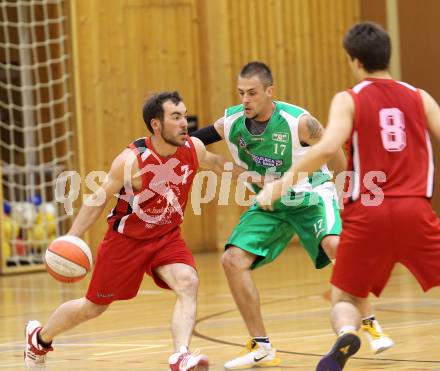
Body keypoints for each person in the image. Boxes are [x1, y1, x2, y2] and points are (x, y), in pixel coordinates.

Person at [256, 22, 440, 370]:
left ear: (354, 61)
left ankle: (345, 333)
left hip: (369, 212)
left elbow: (326, 148)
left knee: (345, 297)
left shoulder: (350, 99)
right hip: (415, 208)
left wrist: (279, 186)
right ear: (389, 55)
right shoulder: (419, 97)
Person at [24, 91, 248, 371]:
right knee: (92, 307)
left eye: (184, 115)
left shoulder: (193, 148)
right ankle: (39, 338)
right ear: (156, 125)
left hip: (166, 237)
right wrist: (73, 236)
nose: (184, 123)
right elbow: (98, 199)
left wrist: (256, 180)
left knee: (188, 282)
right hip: (125, 242)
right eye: (176, 117)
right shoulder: (131, 161)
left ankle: (181, 356)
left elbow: (217, 164)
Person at [191, 61, 392, 370]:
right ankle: (262, 346)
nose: (245, 99)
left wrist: (347, 192)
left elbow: (333, 149)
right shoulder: (230, 122)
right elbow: (194, 142)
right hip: (272, 202)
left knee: (335, 245)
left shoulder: (299, 122)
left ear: (270, 91)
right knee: (232, 260)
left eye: (252, 93)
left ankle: (368, 320)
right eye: (241, 93)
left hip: (312, 193)